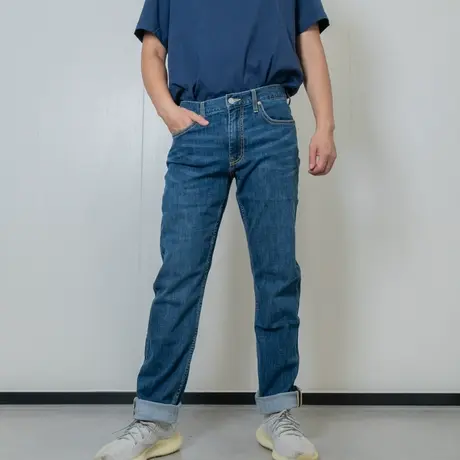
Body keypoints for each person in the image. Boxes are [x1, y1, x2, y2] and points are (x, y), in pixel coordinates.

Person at [95, 0, 336, 458]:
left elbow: (309, 43)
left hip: (269, 121)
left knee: (277, 272)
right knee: (178, 277)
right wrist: (168, 111)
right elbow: (153, 50)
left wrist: (325, 125)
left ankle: (279, 412)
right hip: (196, 126)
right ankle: (153, 418)